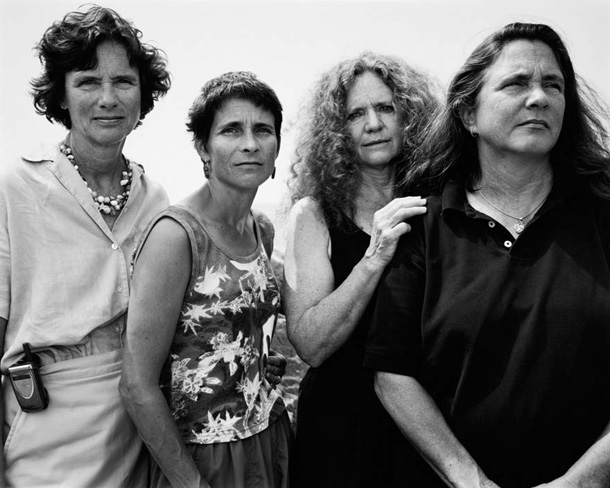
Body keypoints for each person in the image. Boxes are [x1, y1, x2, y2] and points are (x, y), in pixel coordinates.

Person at [365, 22, 610, 488]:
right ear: (468, 115)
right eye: (516, 83)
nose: (539, 98)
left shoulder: (602, 214)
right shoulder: (422, 225)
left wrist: (579, 482)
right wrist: (471, 481)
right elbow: (392, 373)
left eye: (553, 85)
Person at [0, 5, 171, 487]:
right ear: (61, 93)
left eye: (123, 82)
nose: (108, 99)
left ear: (142, 93)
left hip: (134, 430)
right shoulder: (15, 188)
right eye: (88, 81)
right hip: (43, 434)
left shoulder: (157, 200)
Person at [120, 71, 291, 488]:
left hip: (268, 437)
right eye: (231, 130)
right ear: (203, 147)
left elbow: (229, 332)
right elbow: (137, 385)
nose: (250, 144)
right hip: (203, 455)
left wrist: (255, 360)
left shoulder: (262, 229)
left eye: (263, 130)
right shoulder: (176, 236)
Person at [283, 52, 440, 487]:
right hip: (339, 433)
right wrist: (375, 255)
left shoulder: (441, 205)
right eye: (355, 114)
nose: (373, 124)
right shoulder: (313, 214)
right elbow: (310, 344)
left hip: (426, 429)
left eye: (386, 107)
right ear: (336, 131)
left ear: (410, 117)